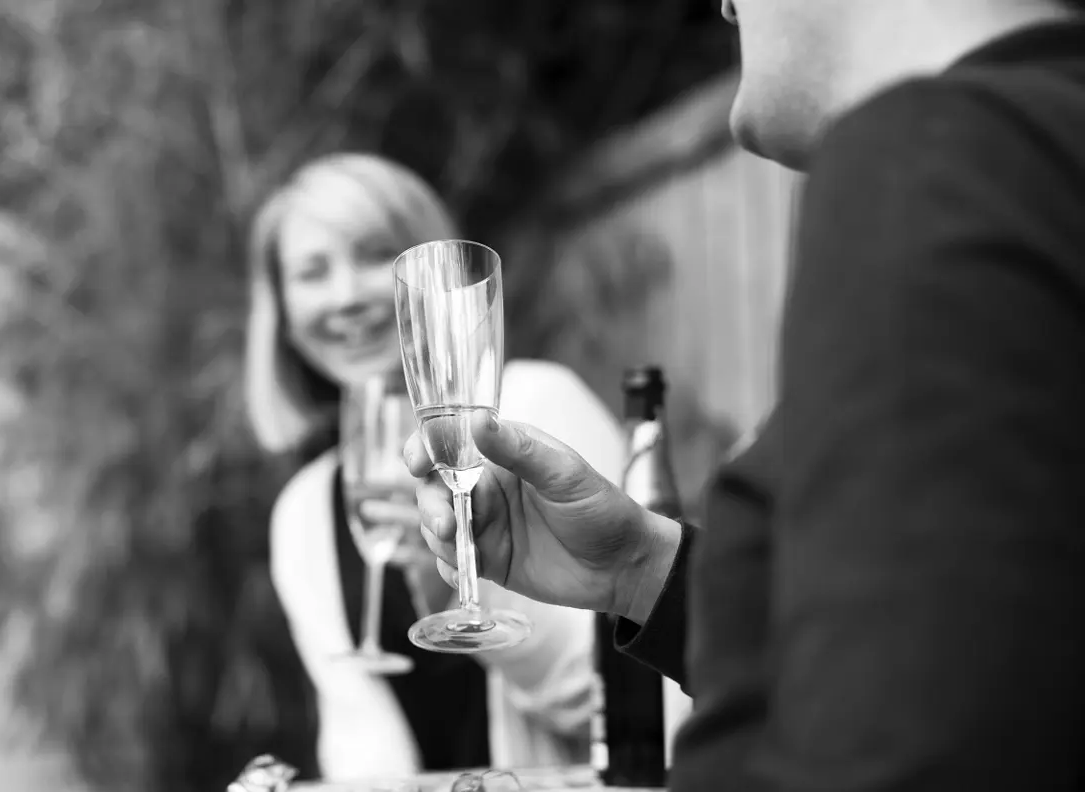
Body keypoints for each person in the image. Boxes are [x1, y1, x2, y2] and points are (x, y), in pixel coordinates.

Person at [408, 1, 1085, 789]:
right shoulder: (1028, 154)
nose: (725, 4)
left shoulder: (935, 157)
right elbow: (979, 653)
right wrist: (640, 568)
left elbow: (907, 754)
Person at [244, 152, 653, 781]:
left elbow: (630, 701)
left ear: (437, 280)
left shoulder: (533, 414)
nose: (347, 295)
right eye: (312, 272)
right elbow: (359, 750)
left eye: (374, 254)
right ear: (283, 315)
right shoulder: (302, 513)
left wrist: (467, 588)